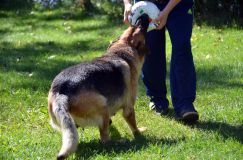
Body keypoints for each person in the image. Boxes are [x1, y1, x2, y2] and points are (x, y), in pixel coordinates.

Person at [123, 0, 199, 123]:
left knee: (182, 46)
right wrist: (127, 4)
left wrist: (166, 11)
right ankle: (157, 99)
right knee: (151, 49)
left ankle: (184, 103)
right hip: (146, 4)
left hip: (179, 5)